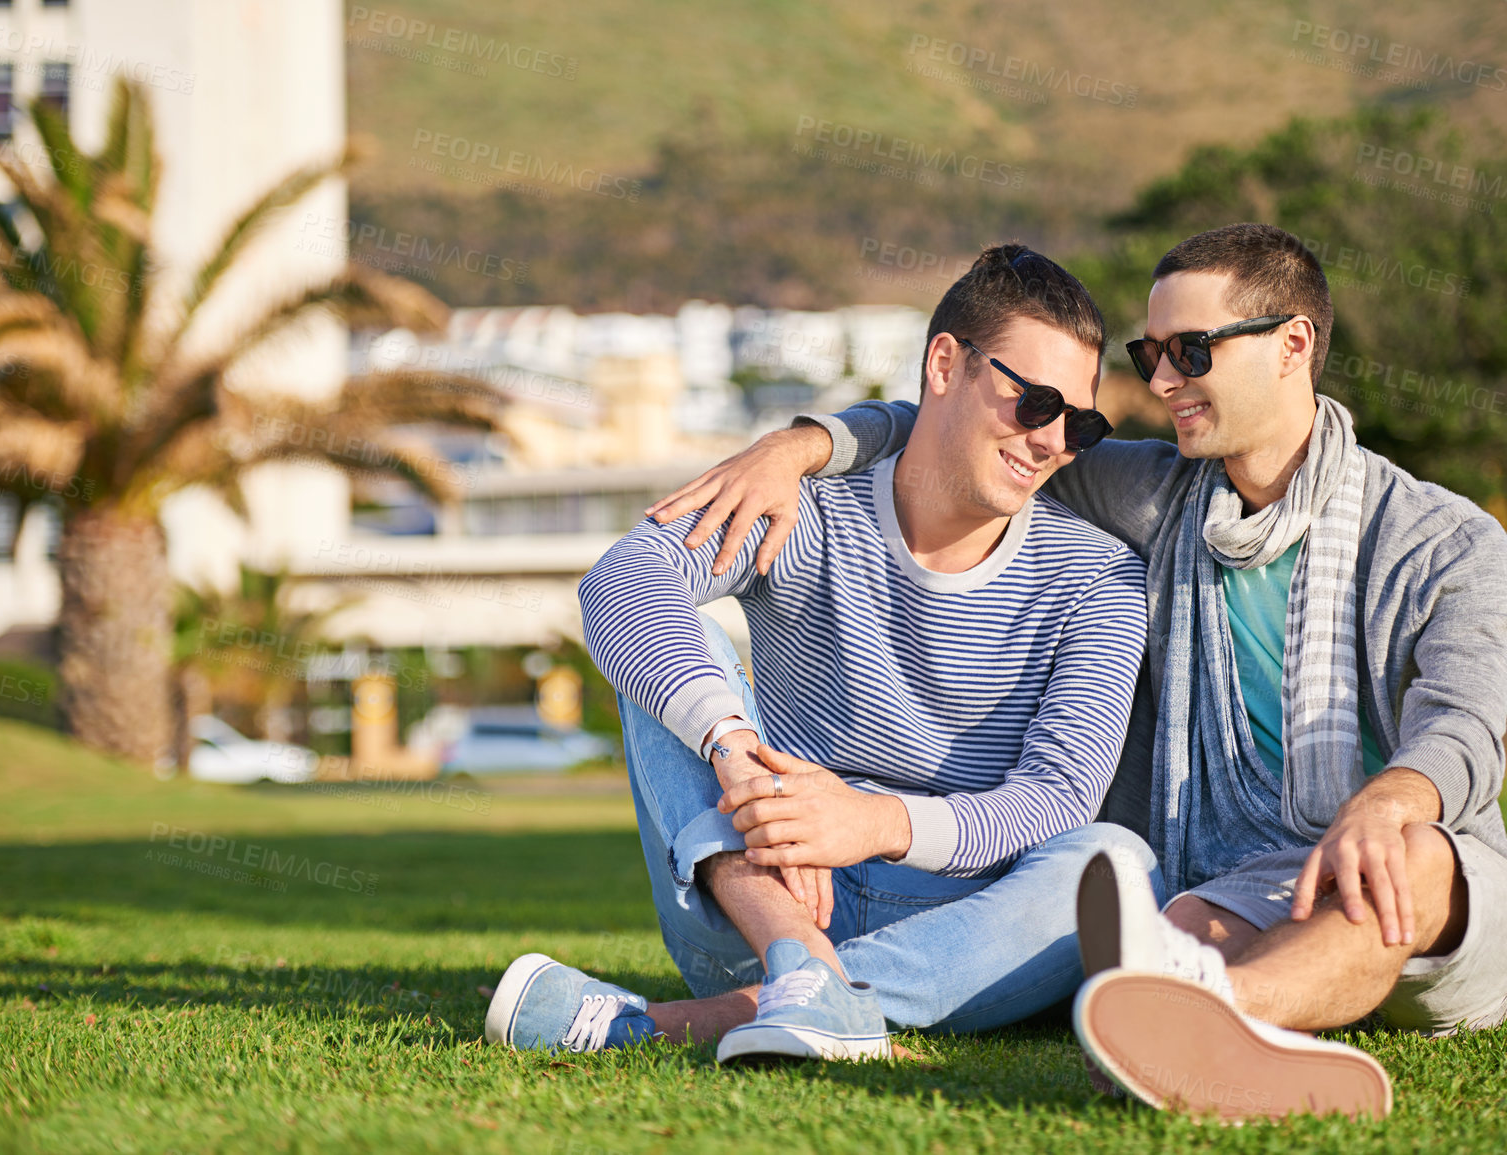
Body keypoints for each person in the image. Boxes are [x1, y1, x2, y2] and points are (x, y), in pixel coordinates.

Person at [648, 223, 1507, 1120]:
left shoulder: (1443, 539)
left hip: (1425, 881)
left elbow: (1462, 725)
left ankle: (1206, 1017)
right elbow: (957, 423)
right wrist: (798, 446)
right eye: (1150, 354)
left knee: (1402, 862)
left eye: (1191, 350)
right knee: (1151, 940)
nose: (1164, 380)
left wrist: (1391, 799)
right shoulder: (1154, 489)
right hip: (1225, 885)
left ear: (1292, 344)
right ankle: (1198, 1023)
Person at [483, 244, 1153, 1063]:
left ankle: (721, 1013)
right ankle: (799, 968)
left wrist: (867, 820)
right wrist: (737, 758)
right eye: (1035, 401)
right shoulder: (800, 508)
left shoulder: (1099, 577)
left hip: (962, 931)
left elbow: (1057, 796)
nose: (1050, 440)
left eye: (1078, 422)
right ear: (944, 363)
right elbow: (622, 577)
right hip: (765, 892)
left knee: (1116, 862)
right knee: (668, 654)